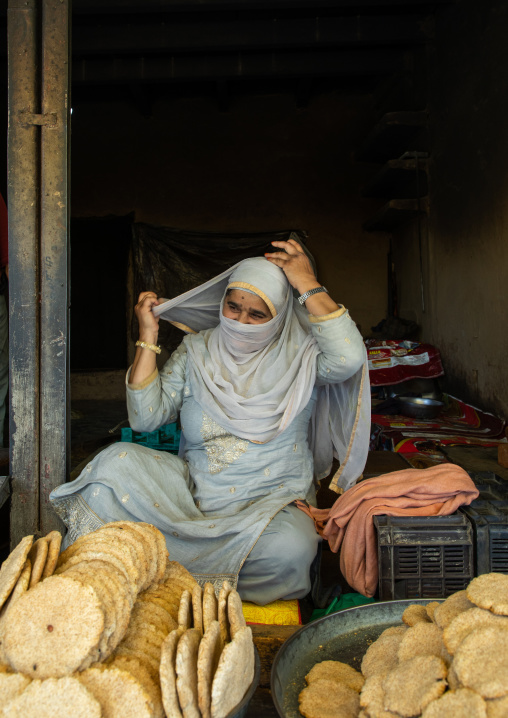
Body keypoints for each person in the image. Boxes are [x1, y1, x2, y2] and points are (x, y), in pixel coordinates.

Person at [50, 240, 370, 604]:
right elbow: (145, 418)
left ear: (279, 315)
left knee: (290, 551)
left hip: (271, 505)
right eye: (233, 308)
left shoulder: (303, 357)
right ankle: (195, 581)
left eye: (257, 315)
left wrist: (306, 283)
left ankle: (161, 577)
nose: (240, 322)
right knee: (112, 466)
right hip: (192, 501)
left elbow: (349, 358)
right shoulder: (197, 350)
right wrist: (148, 335)